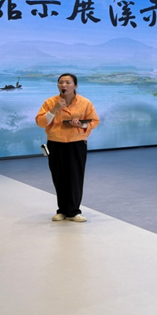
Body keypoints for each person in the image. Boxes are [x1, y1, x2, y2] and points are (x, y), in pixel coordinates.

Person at [35, 73, 100, 223]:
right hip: (55, 143)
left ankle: (74, 211)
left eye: (68, 82)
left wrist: (81, 124)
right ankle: (62, 210)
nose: (63, 85)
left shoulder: (85, 102)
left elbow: (94, 121)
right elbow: (41, 122)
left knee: (75, 177)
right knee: (59, 177)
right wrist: (54, 109)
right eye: (60, 82)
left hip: (77, 143)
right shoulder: (50, 102)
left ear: (75, 86)